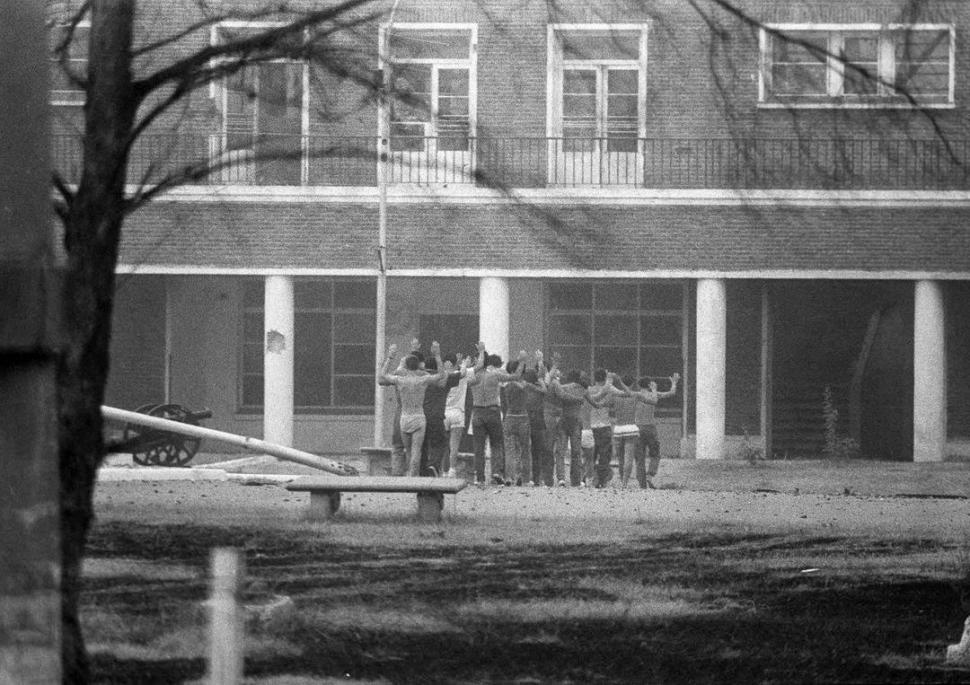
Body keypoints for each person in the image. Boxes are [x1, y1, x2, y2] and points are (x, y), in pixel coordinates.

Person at [378, 342, 446, 477]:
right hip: (418, 417)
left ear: (406, 366)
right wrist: (437, 355)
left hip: (404, 417)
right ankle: (413, 476)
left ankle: (408, 475)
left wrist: (390, 357)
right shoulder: (423, 379)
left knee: (408, 451)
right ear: (418, 366)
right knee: (416, 450)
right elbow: (441, 375)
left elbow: (383, 375)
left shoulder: (400, 379)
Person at [467, 343, 524, 485]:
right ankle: (496, 472)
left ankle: (480, 478)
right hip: (493, 410)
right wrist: (522, 361)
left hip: (477, 410)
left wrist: (476, 357)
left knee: (479, 447)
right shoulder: (495, 375)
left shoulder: (472, 376)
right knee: (496, 444)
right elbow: (516, 376)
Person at [632, 372, 681, 488]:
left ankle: (642, 483)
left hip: (638, 427)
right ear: (649, 385)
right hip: (650, 427)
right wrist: (674, 383)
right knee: (655, 454)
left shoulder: (636, 395)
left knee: (639, 457)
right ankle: (650, 475)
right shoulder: (654, 394)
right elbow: (671, 393)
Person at [586, 368, 627, 487]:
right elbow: (624, 393)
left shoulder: (589, 390)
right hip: (604, 425)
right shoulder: (609, 388)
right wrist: (618, 381)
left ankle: (588, 478)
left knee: (591, 455)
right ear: (605, 378)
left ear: (594, 378)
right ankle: (601, 480)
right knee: (604, 455)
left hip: (591, 425)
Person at [549, 369, 586, 487]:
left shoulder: (563, 387)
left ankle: (561, 478)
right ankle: (576, 480)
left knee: (560, 451)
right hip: (576, 422)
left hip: (564, 420)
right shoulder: (582, 389)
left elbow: (557, 399)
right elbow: (595, 401)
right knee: (576, 452)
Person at [501, 359, 533, 486]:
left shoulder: (506, 386)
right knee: (524, 449)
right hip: (523, 416)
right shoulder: (525, 385)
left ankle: (509, 477)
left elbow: (503, 404)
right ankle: (523, 477)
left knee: (509, 450)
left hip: (509, 416)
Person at [443, 354, 475, 478]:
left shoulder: (442, 376)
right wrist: (465, 364)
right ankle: (452, 470)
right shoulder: (461, 376)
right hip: (457, 412)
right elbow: (475, 370)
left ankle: (444, 471)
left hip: (444, 413)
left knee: (444, 445)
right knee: (454, 445)